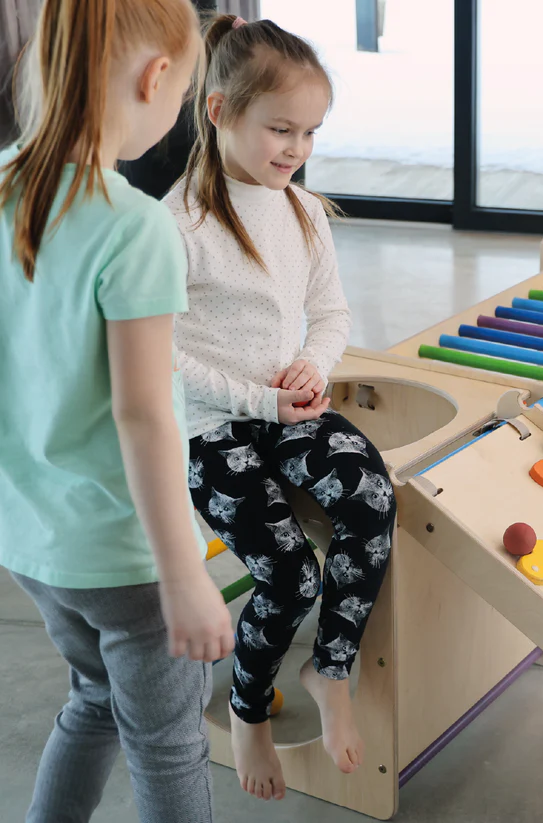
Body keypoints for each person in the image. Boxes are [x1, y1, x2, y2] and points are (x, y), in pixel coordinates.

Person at [0, 1, 235, 821]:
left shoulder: (1, 184)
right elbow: (143, 416)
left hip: (33, 542)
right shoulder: (133, 228)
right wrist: (184, 576)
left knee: (96, 699)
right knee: (168, 744)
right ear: (156, 76)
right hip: (126, 557)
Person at [164, 13, 397, 803]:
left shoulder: (299, 210)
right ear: (219, 109)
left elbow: (330, 313)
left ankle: (328, 667)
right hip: (210, 424)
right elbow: (163, 351)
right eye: (281, 129)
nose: (296, 150)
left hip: (284, 407)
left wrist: (312, 365)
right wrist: (260, 396)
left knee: (371, 498)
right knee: (289, 573)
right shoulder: (178, 223)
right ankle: (248, 708)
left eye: (310, 133)